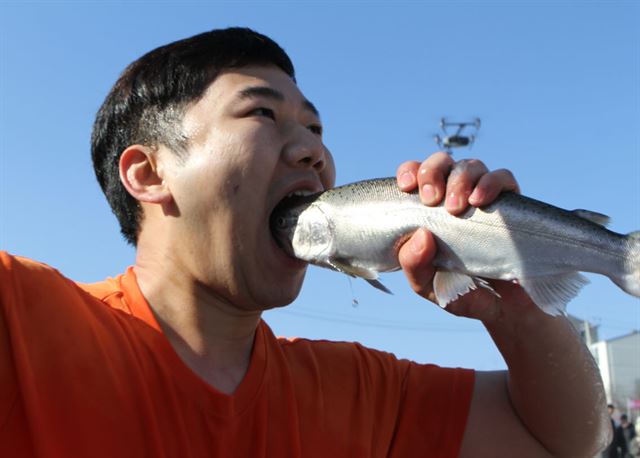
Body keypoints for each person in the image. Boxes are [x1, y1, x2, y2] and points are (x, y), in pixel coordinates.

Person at [0, 27, 611, 457]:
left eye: (316, 127)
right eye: (262, 115)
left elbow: (563, 441)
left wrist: (514, 301)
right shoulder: (24, 322)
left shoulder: (358, 392)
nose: (314, 151)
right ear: (150, 173)